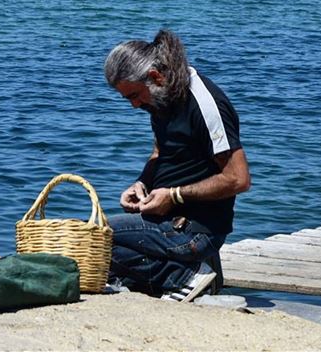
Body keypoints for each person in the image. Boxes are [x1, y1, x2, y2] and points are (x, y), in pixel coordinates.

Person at [103, 29, 250, 302]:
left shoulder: (205, 103)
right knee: (91, 246)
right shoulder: (161, 99)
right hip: (165, 221)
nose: (134, 105)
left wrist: (174, 196)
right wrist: (142, 182)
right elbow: (160, 151)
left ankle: (185, 276)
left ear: (155, 77)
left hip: (194, 231)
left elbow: (238, 179)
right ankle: (180, 272)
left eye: (135, 95)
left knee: (96, 239)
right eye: (128, 99)